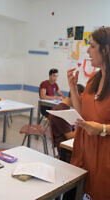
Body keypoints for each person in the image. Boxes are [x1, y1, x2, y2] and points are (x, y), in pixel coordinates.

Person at [67, 27, 110, 200]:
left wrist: (103, 129)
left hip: (104, 157)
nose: (87, 50)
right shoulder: (94, 78)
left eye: (92, 46)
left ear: (106, 49)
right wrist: (72, 87)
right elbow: (82, 113)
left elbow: (100, 125)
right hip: (85, 150)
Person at [49, 84, 84, 162]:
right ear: (74, 97)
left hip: (70, 144)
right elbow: (70, 136)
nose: (81, 103)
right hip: (65, 149)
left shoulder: (68, 108)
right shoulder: (62, 111)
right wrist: (82, 124)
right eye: (80, 100)